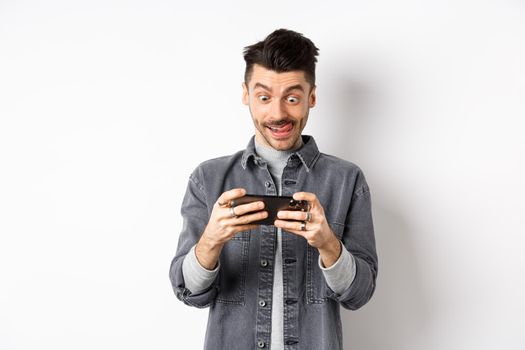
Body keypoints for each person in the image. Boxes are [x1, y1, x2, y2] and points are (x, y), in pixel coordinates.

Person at [169, 28, 378, 350]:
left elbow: (359, 294)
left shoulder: (346, 180)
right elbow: (189, 293)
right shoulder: (208, 179)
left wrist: (328, 244)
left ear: (311, 96)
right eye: (264, 97)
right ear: (246, 94)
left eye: (292, 98)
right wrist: (211, 241)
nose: (278, 114)